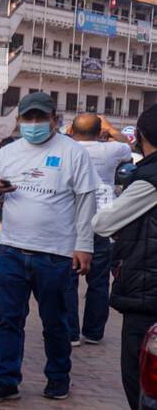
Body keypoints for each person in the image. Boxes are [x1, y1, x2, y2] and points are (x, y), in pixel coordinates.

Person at [0, 92, 98, 404]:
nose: (33, 124)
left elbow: (86, 200)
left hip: (55, 253)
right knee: (9, 319)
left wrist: (83, 245)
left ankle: (58, 378)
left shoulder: (73, 152)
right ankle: (6, 380)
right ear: (18, 121)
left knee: (55, 320)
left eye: (40, 118)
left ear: (55, 120)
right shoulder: (9, 152)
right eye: (27, 118)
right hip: (12, 250)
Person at [93, 105, 157, 410]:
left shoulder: (149, 180)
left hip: (147, 291)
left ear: (143, 137)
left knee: (141, 380)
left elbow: (104, 222)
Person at [66, 113, 132, 346]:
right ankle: (93, 332)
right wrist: (111, 128)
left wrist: (69, 130)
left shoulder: (67, 147)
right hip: (102, 219)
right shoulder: (112, 150)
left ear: (72, 131)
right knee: (99, 280)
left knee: (68, 280)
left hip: (71, 219)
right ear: (99, 131)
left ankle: (71, 332)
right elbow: (127, 144)